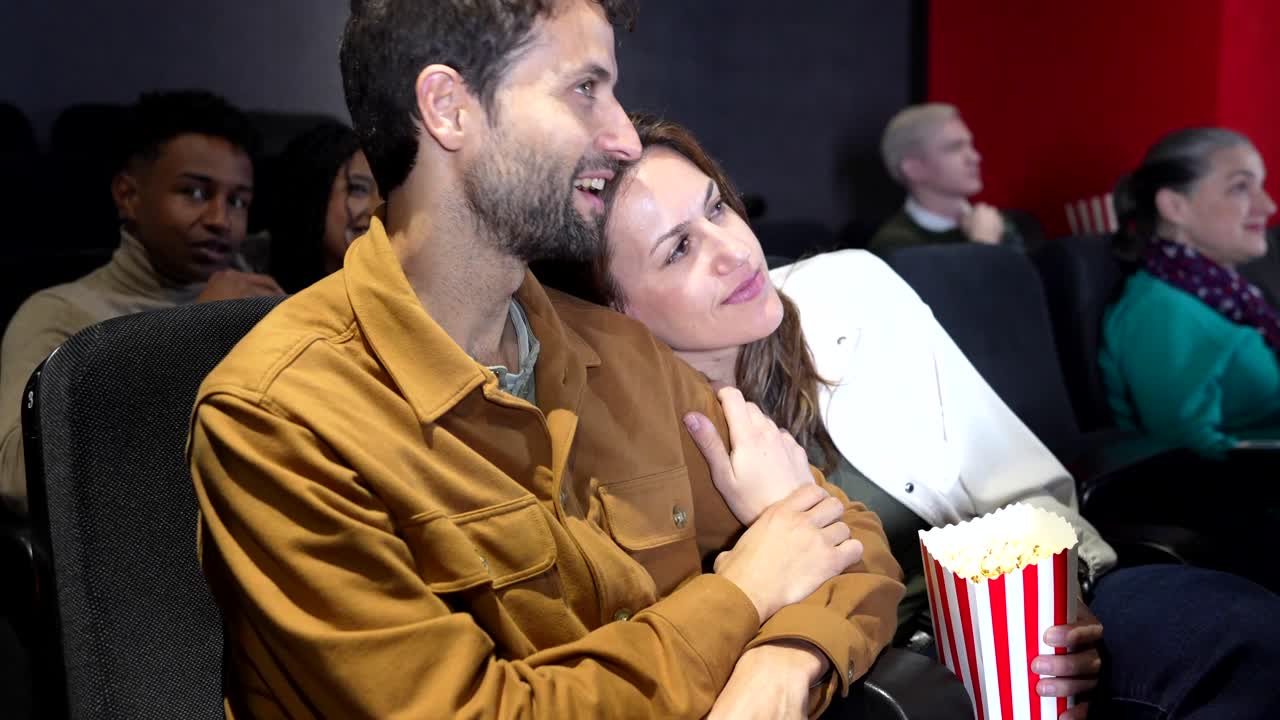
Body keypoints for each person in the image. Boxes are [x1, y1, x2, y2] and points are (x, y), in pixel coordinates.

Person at [188, 2, 905, 718]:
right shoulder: (280, 418)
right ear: (449, 108)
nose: (624, 138)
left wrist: (784, 662)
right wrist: (744, 594)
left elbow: (846, 539)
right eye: (584, 90)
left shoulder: (618, 353)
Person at [556, 112, 1280, 719]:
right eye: (678, 249)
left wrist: (1071, 588)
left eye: (717, 208)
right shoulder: (623, 439)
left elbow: (1018, 488)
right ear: (617, 315)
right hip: (877, 678)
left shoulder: (850, 289)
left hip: (1029, 614)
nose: (732, 251)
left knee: (1245, 635)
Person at [0, 90, 283, 513]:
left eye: (237, 201)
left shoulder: (259, 300)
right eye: (194, 193)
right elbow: (15, 478)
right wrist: (195, 334)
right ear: (128, 195)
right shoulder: (61, 314)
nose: (221, 221)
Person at [1102, 127, 1280, 458]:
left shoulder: (1227, 293)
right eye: (1241, 187)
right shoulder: (1162, 311)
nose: (1268, 205)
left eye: (1261, 186)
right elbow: (1189, 455)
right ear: (1175, 206)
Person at [868, 103, 1023, 257]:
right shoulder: (895, 244)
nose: (975, 157)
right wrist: (984, 244)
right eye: (955, 147)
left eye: (970, 145)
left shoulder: (998, 224)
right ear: (914, 168)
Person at [267, 121, 380, 292]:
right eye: (358, 189)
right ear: (312, 193)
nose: (378, 207)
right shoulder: (255, 284)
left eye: (385, 193)